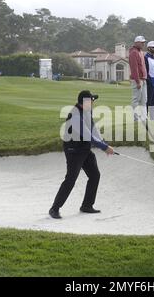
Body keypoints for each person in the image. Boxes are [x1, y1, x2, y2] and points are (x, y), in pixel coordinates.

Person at [49, 91, 115, 219]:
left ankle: (87, 205)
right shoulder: (75, 115)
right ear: (86, 102)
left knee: (95, 175)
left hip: (84, 149)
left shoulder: (86, 112)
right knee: (71, 179)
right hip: (74, 151)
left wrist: (104, 145)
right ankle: (54, 208)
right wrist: (104, 147)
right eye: (92, 100)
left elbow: (94, 130)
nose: (94, 103)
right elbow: (87, 135)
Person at [128, 36, 148, 121]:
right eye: (142, 42)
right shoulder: (133, 52)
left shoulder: (140, 52)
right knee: (136, 99)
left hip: (143, 79)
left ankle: (144, 117)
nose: (143, 44)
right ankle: (136, 118)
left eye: (144, 42)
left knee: (144, 99)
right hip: (138, 79)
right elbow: (134, 68)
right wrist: (137, 81)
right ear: (136, 43)